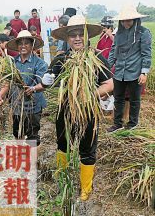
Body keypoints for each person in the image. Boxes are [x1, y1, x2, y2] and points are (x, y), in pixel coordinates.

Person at [43, 15, 114, 201]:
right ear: (67, 38)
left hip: (89, 111)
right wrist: (46, 80)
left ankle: (86, 188)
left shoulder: (96, 57)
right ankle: (62, 180)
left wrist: (89, 96)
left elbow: (109, 83)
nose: (77, 38)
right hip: (64, 110)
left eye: (80, 34)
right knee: (62, 144)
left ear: (87, 36)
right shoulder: (61, 59)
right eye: (72, 34)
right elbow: (49, 79)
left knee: (87, 148)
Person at [0, 30, 47, 146]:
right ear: (17, 46)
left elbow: (43, 84)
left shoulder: (40, 63)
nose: (23, 46)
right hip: (17, 104)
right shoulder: (12, 63)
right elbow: (7, 82)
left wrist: (33, 88)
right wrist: (0, 95)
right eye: (20, 43)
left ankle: (32, 162)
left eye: (26, 43)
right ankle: (21, 159)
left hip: (33, 106)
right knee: (18, 133)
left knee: (32, 136)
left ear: (32, 45)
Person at [107, 5, 152, 132]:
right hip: (120, 71)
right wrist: (108, 67)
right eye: (123, 20)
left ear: (135, 19)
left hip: (135, 71)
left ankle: (132, 123)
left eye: (129, 20)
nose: (126, 23)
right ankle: (117, 124)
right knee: (118, 98)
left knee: (134, 99)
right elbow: (113, 51)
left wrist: (144, 72)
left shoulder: (143, 33)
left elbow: (146, 53)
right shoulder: (119, 33)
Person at [96, 16, 115, 114]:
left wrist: (111, 35)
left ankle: (110, 107)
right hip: (102, 64)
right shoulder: (102, 37)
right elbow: (99, 49)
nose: (103, 29)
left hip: (111, 65)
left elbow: (117, 47)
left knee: (111, 86)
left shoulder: (115, 36)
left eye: (104, 27)